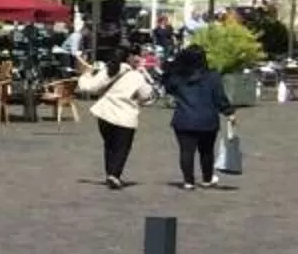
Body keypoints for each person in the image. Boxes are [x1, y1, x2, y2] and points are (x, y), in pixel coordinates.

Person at [80, 41, 159, 190]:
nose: (138, 59)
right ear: (128, 57)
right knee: (122, 147)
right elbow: (145, 95)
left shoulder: (109, 69)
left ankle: (110, 173)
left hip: (104, 113)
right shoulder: (136, 76)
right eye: (136, 56)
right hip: (125, 116)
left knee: (109, 145)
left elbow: (88, 87)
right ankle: (115, 175)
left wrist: (86, 74)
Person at [162, 42, 228, 190]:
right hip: (207, 119)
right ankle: (206, 178)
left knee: (186, 151)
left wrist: (170, 68)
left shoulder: (179, 77)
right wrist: (228, 111)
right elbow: (219, 97)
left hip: (184, 118)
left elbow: (167, 86)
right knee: (207, 151)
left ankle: (188, 181)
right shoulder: (213, 76)